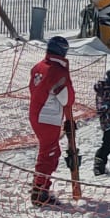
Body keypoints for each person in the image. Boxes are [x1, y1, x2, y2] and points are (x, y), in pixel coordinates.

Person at [26, 36, 78, 204]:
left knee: (51, 151)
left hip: (38, 113)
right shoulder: (57, 71)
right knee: (49, 154)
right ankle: (39, 192)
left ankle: (40, 185)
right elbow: (66, 98)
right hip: (48, 117)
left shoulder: (39, 66)